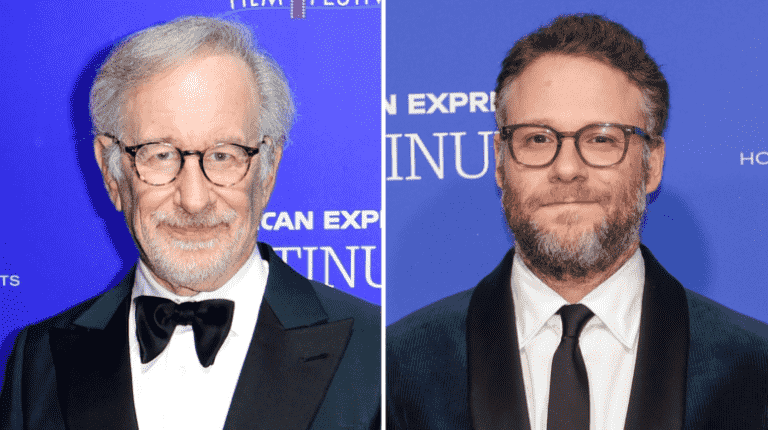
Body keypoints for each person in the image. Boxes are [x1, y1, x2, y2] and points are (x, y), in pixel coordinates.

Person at [387, 14, 768, 430]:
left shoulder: (753, 367)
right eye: (537, 138)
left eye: (601, 139)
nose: (567, 168)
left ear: (652, 164)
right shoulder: (398, 367)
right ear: (500, 161)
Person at [0, 16, 379, 430]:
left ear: (268, 171)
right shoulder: (38, 361)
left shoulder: (377, 354)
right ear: (112, 173)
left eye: (224, 154)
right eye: (160, 155)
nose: (194, 200)